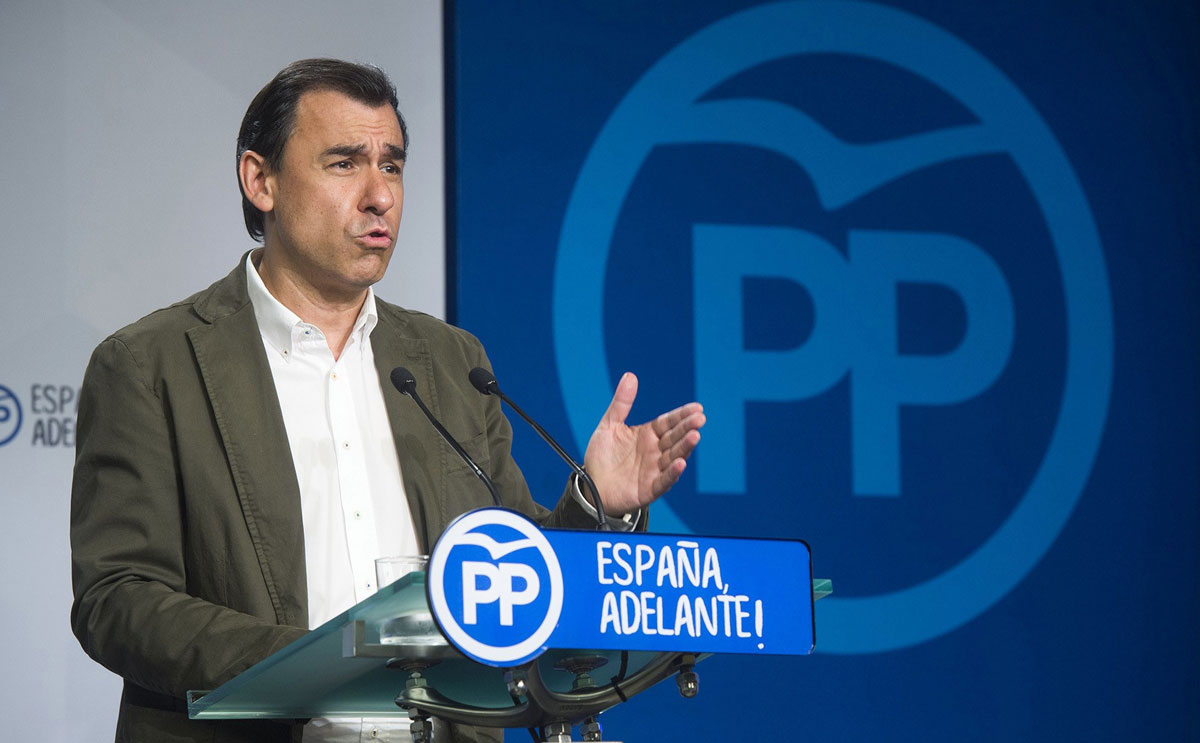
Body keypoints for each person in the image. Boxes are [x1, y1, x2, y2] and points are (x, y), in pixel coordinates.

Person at [69, 58, 704, 743]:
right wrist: (311, 663)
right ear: (261, 180)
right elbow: (118, 598)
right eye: (345, 164)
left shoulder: (452, 363)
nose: (380, 196)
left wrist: (596, 505)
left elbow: (516, 576)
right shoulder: (151, 364)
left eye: (393, 165)